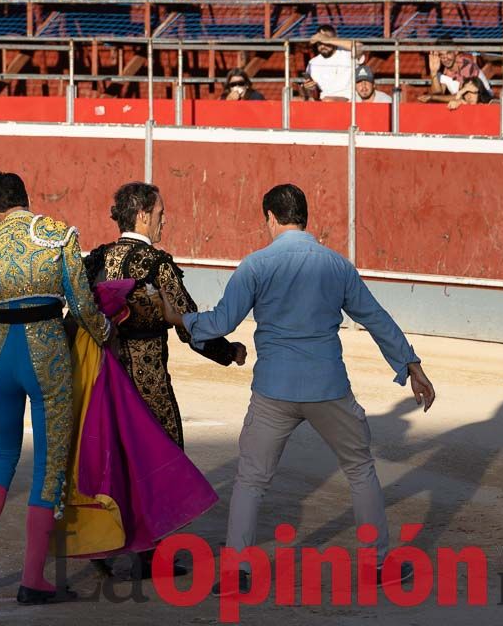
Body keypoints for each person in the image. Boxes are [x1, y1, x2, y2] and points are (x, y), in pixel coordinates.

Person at [161, 183, 437, 594]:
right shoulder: (336, 265)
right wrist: (410, 364)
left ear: (271, 218)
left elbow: (221, 322)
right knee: (360, 469)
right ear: (305, 218)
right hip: (327, 385)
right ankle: (377, 565)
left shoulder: (256, 265)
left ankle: (237, 570)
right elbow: (375, 317)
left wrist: (179, 319)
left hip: (274, 388)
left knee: (251, 479)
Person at [76, 182, 245, 576]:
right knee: (161, 456)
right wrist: (227, 351)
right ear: (142, 215)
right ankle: (152, 555)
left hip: (104, 378)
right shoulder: (156, 263)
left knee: (110, 454)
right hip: (147, 379)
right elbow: (187, 324)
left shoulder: (96, 260)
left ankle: (103, 545)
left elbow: (80, 313)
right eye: (160, 213)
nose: (164, 220)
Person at [0, 172, 112, 605]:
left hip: (1, 355)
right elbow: (81, 303)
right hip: (46, 351)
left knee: (2, 452)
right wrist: (103, 332)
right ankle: (32, 579)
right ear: (28, 198)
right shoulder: (57, 235)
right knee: (49, 462)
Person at [303, 26, 366, 102]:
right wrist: (308, 88)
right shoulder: (313, 63)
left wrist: (327, 39)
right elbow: (312, 94)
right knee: (296, 100)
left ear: (334, 39)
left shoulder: (347, 53)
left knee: (328, 101)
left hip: (349, 99)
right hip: (324, 100)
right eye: (319, 42)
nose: (323, 46)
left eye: (326, 42)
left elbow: (360, 47)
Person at [422, 49, 492, 102]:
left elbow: (466, 95)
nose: (445, 58)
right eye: (441, 55)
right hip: (463, 101)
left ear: (455, 52)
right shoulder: (441, 68)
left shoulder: (466, 65)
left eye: (448, 53)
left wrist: (432, 97)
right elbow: (438, 95)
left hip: (484, 99)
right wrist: (433, 73)